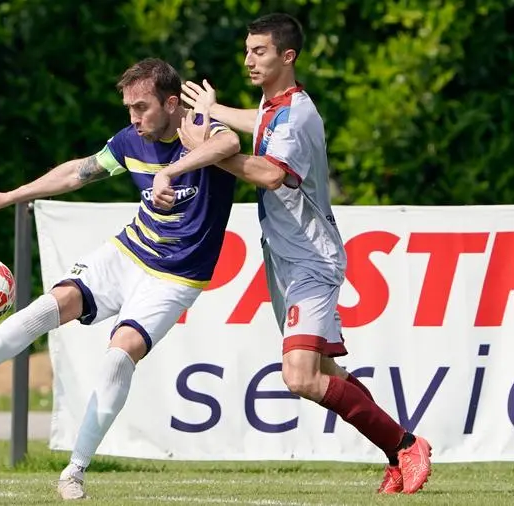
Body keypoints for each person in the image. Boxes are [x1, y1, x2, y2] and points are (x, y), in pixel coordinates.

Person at [0, 58, 241, 500]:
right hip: (128, 252)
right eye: (128, 109)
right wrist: (10, 196)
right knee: (47, 306)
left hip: (176, 277)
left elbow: (229, 142)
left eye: (142, 108)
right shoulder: (130, 140)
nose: (134, 119)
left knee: (119, 357)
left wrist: (171, 170)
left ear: (172, 103)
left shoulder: (198, 129)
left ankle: (74, 470)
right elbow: (78, 172)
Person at [167, 13, 433, 494]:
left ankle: (407, 445)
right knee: (329, 373)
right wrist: (218, 109)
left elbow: (270, 173)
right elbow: (258, 123)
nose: (249, 59)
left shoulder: (295, 115)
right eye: (247, 50)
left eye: (260, 51)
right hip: (286, 260)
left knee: (300, 376)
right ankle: (396, 452)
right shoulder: (277, 106)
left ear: (287, 56)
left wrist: (205, 146)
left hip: (312, 259)